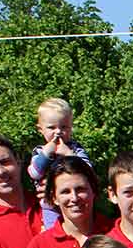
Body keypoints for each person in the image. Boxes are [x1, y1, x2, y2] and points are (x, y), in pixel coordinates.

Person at [28, 97, 92, 231]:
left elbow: (89, 171)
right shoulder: (39, 152)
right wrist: (46, 155)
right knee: (53, 233)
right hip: (49, 205)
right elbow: (34, 173)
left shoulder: (75, 149)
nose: (58, 132)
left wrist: (69, 155)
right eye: (52, 127)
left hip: (75, 201)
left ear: (71, 127)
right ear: (41, 130)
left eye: (64, 127)